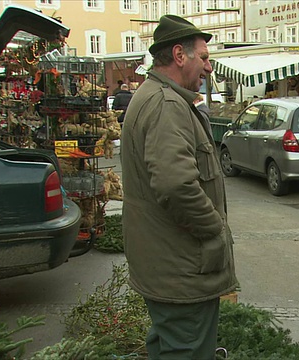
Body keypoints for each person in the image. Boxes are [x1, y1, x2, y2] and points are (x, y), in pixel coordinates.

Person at [120, 14, 238, 359]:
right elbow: (176, 185)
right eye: (203, 57)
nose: (209, 67)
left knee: (170, 348)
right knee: (187, 351)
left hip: (170, 267)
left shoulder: (161, 98)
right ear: (179, 55)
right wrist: (215, 230)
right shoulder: (167, 105)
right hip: (182, 270)